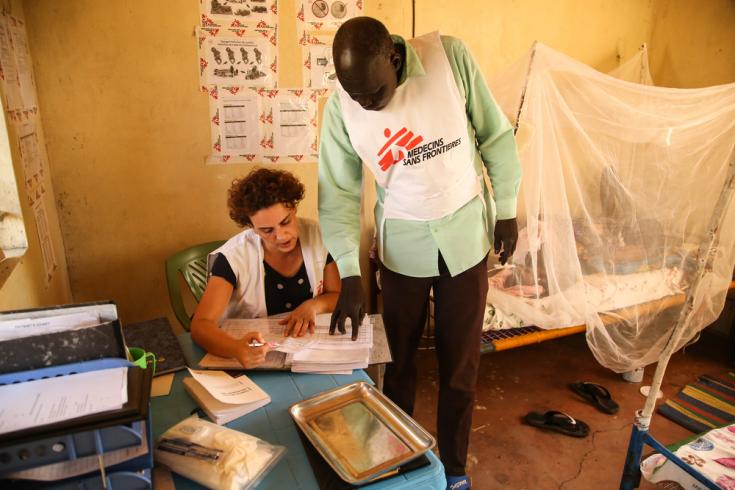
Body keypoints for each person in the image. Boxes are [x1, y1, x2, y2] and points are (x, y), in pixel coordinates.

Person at [318, 17, 521, 490]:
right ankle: (402, 463)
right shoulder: (341, 109)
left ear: (393, 56)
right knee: (400, 366)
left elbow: (494, 134)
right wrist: (349, 272)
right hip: (403, 248)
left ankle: (452, 469)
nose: (366, 104)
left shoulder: (449, 59)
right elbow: (339, 192)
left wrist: (506, 206)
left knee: (460, 369)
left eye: (374, 94)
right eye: (356, 96)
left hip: (465, 237)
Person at [191, 168, 341, 369]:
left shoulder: (318, 237)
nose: (281, 236)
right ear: (251, 227)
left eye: (285, 222)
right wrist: (236, 348)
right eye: (266, 230)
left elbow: (337, 294)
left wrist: (314, 305)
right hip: (253, 360)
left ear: (294, 208)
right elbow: (201, 325)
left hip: (306, 354)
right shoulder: (233, 257)